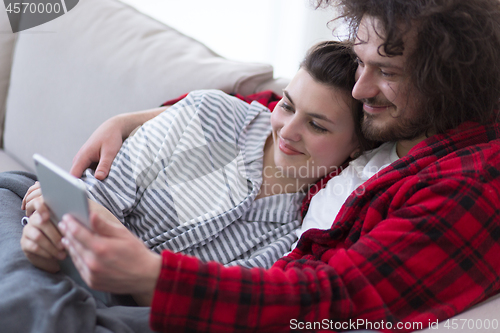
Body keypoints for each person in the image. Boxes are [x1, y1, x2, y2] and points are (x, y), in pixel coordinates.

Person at [23, 0, 500, 331]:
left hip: (223, 306)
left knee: (45, 307)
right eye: (362, 63)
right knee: (16, 200)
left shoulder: (468, 184)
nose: (361, 89)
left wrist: (151, 275)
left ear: (448, 78)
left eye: (388, 72)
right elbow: (268, 107)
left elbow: (337, 302)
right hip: (143, 278)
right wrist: (135, 119)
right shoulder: (391, 122)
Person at [21, 41, 374, 296]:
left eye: (317, 125)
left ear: (356, 146)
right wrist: (47, 234)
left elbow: (200, 304)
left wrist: (104, 239)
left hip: (114, 308)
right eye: (287, 105)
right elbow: (95, 194)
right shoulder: (209, 115)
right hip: (55, 249)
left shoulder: (298, 235)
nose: (288, 130)